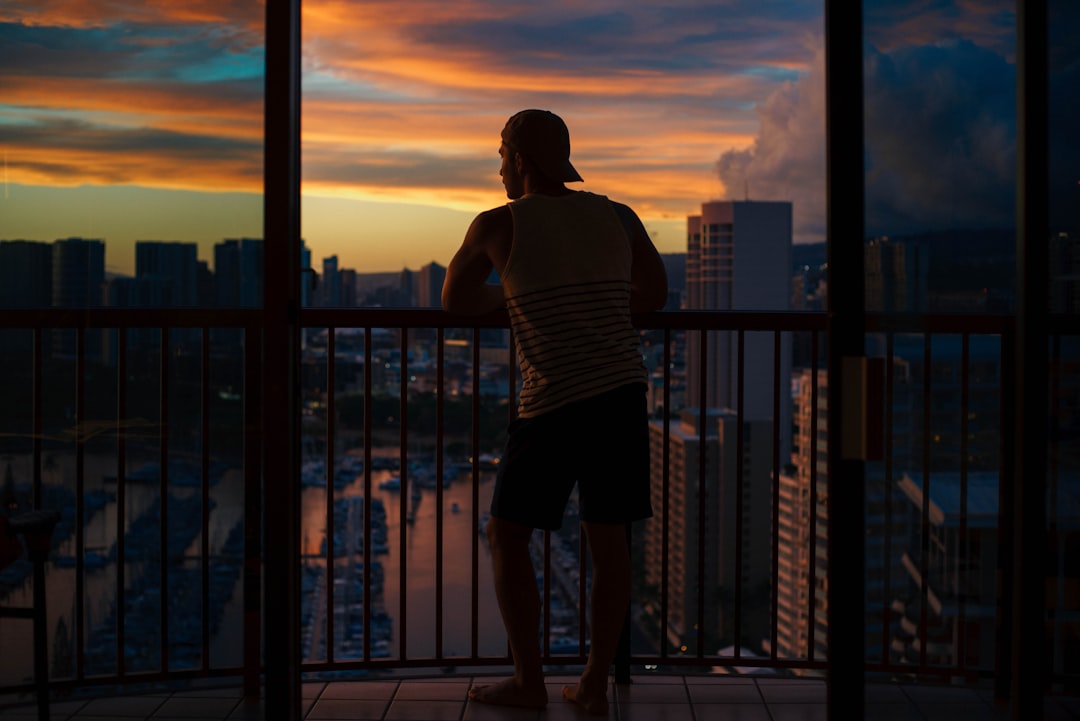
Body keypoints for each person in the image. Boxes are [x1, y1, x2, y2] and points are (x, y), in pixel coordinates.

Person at [442, 109, 668, 715]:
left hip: (552, 401)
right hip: (621, 393)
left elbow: (456, 300)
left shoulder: (497, 225)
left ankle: (528, 681)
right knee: (608, 542)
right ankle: (594, 683)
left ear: (519, 159)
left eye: (501, 154)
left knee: (506, 535)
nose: (498, 167)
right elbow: (654, 293)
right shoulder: (617, 216)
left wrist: (513, 294)